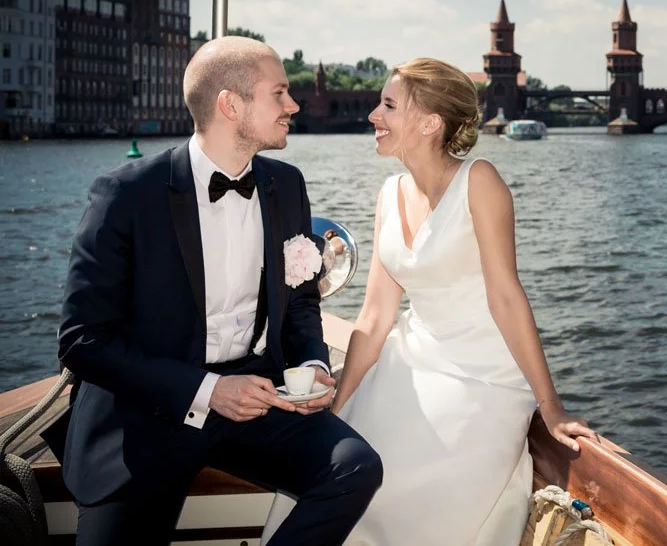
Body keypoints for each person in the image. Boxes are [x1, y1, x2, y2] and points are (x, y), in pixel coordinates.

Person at [55, 36, 382, 545]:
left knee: (355, 468)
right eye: (279, 94)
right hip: (149, 412)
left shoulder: (287, 184)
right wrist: (207, 391)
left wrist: (314, 365)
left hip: (257, 398)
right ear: (231, 105)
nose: (293, 106)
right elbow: (82, 340)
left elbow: (300, 303)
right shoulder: (126, 195)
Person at [263, 57, 596, 545]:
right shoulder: (389, 192)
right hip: (411, 361)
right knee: (336, 460)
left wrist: (551, 407)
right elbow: (376, 316)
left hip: (483, 377)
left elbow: (507, 298)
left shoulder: (481, 182)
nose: (374, 115)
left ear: (431, 122)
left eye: (389, 105)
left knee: (402, 485)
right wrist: (340, 400)